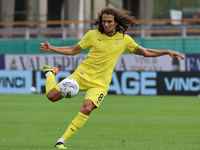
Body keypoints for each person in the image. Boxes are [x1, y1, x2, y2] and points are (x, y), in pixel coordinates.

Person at [39, 7, 185, 149]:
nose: (106, 24)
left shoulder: (124, 40)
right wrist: (51, 48)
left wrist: (166, 51)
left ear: (116, 22)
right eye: (104, 21)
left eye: (109, 21)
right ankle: (50, 72)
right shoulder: (92, 35)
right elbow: (72, 50)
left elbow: (145, 52)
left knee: (87, 108)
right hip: (81, 76)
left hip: (100, 84)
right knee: (51, 96)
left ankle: (61, 141)